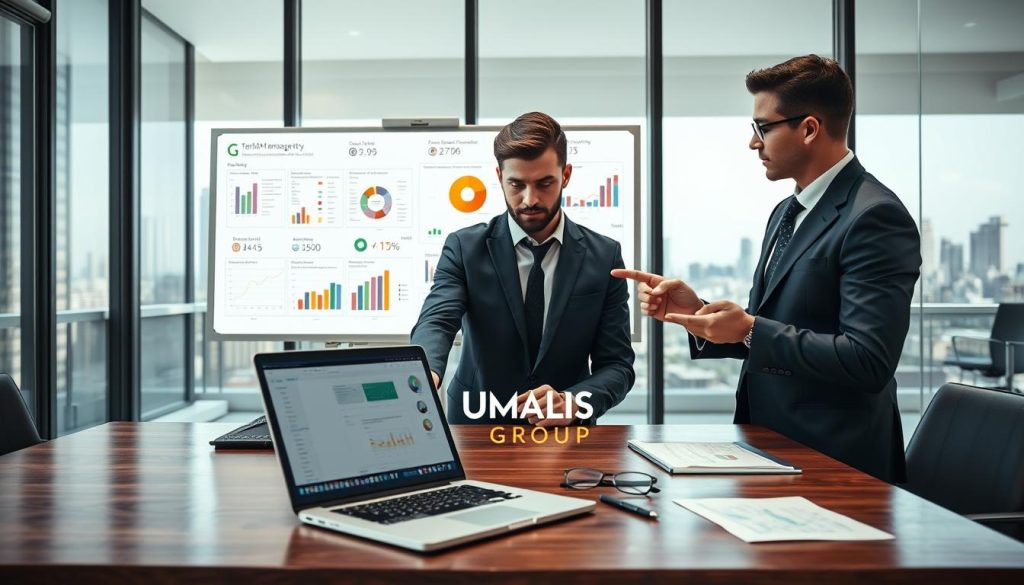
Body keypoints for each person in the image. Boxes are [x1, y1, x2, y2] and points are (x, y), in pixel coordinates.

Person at [614, 55, 920, 483]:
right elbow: (773, 327)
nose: (753, 143)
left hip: (838, 462)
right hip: (771, 447)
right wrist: (700, 313)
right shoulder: (786, 211)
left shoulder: (874, 216)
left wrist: (749, 329)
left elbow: (868, 360)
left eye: (763, 128)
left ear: (809, 129)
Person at [411, 112, 635, 426]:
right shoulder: (464, 248)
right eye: (516, 184)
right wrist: (424, 373)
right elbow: (437, 319)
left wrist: (574, 402)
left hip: (566, 434)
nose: (530, 199)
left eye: (545, 183)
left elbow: (617, 365)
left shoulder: (605, 256)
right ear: (499, 176)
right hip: (478, 426)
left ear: (566, 175)